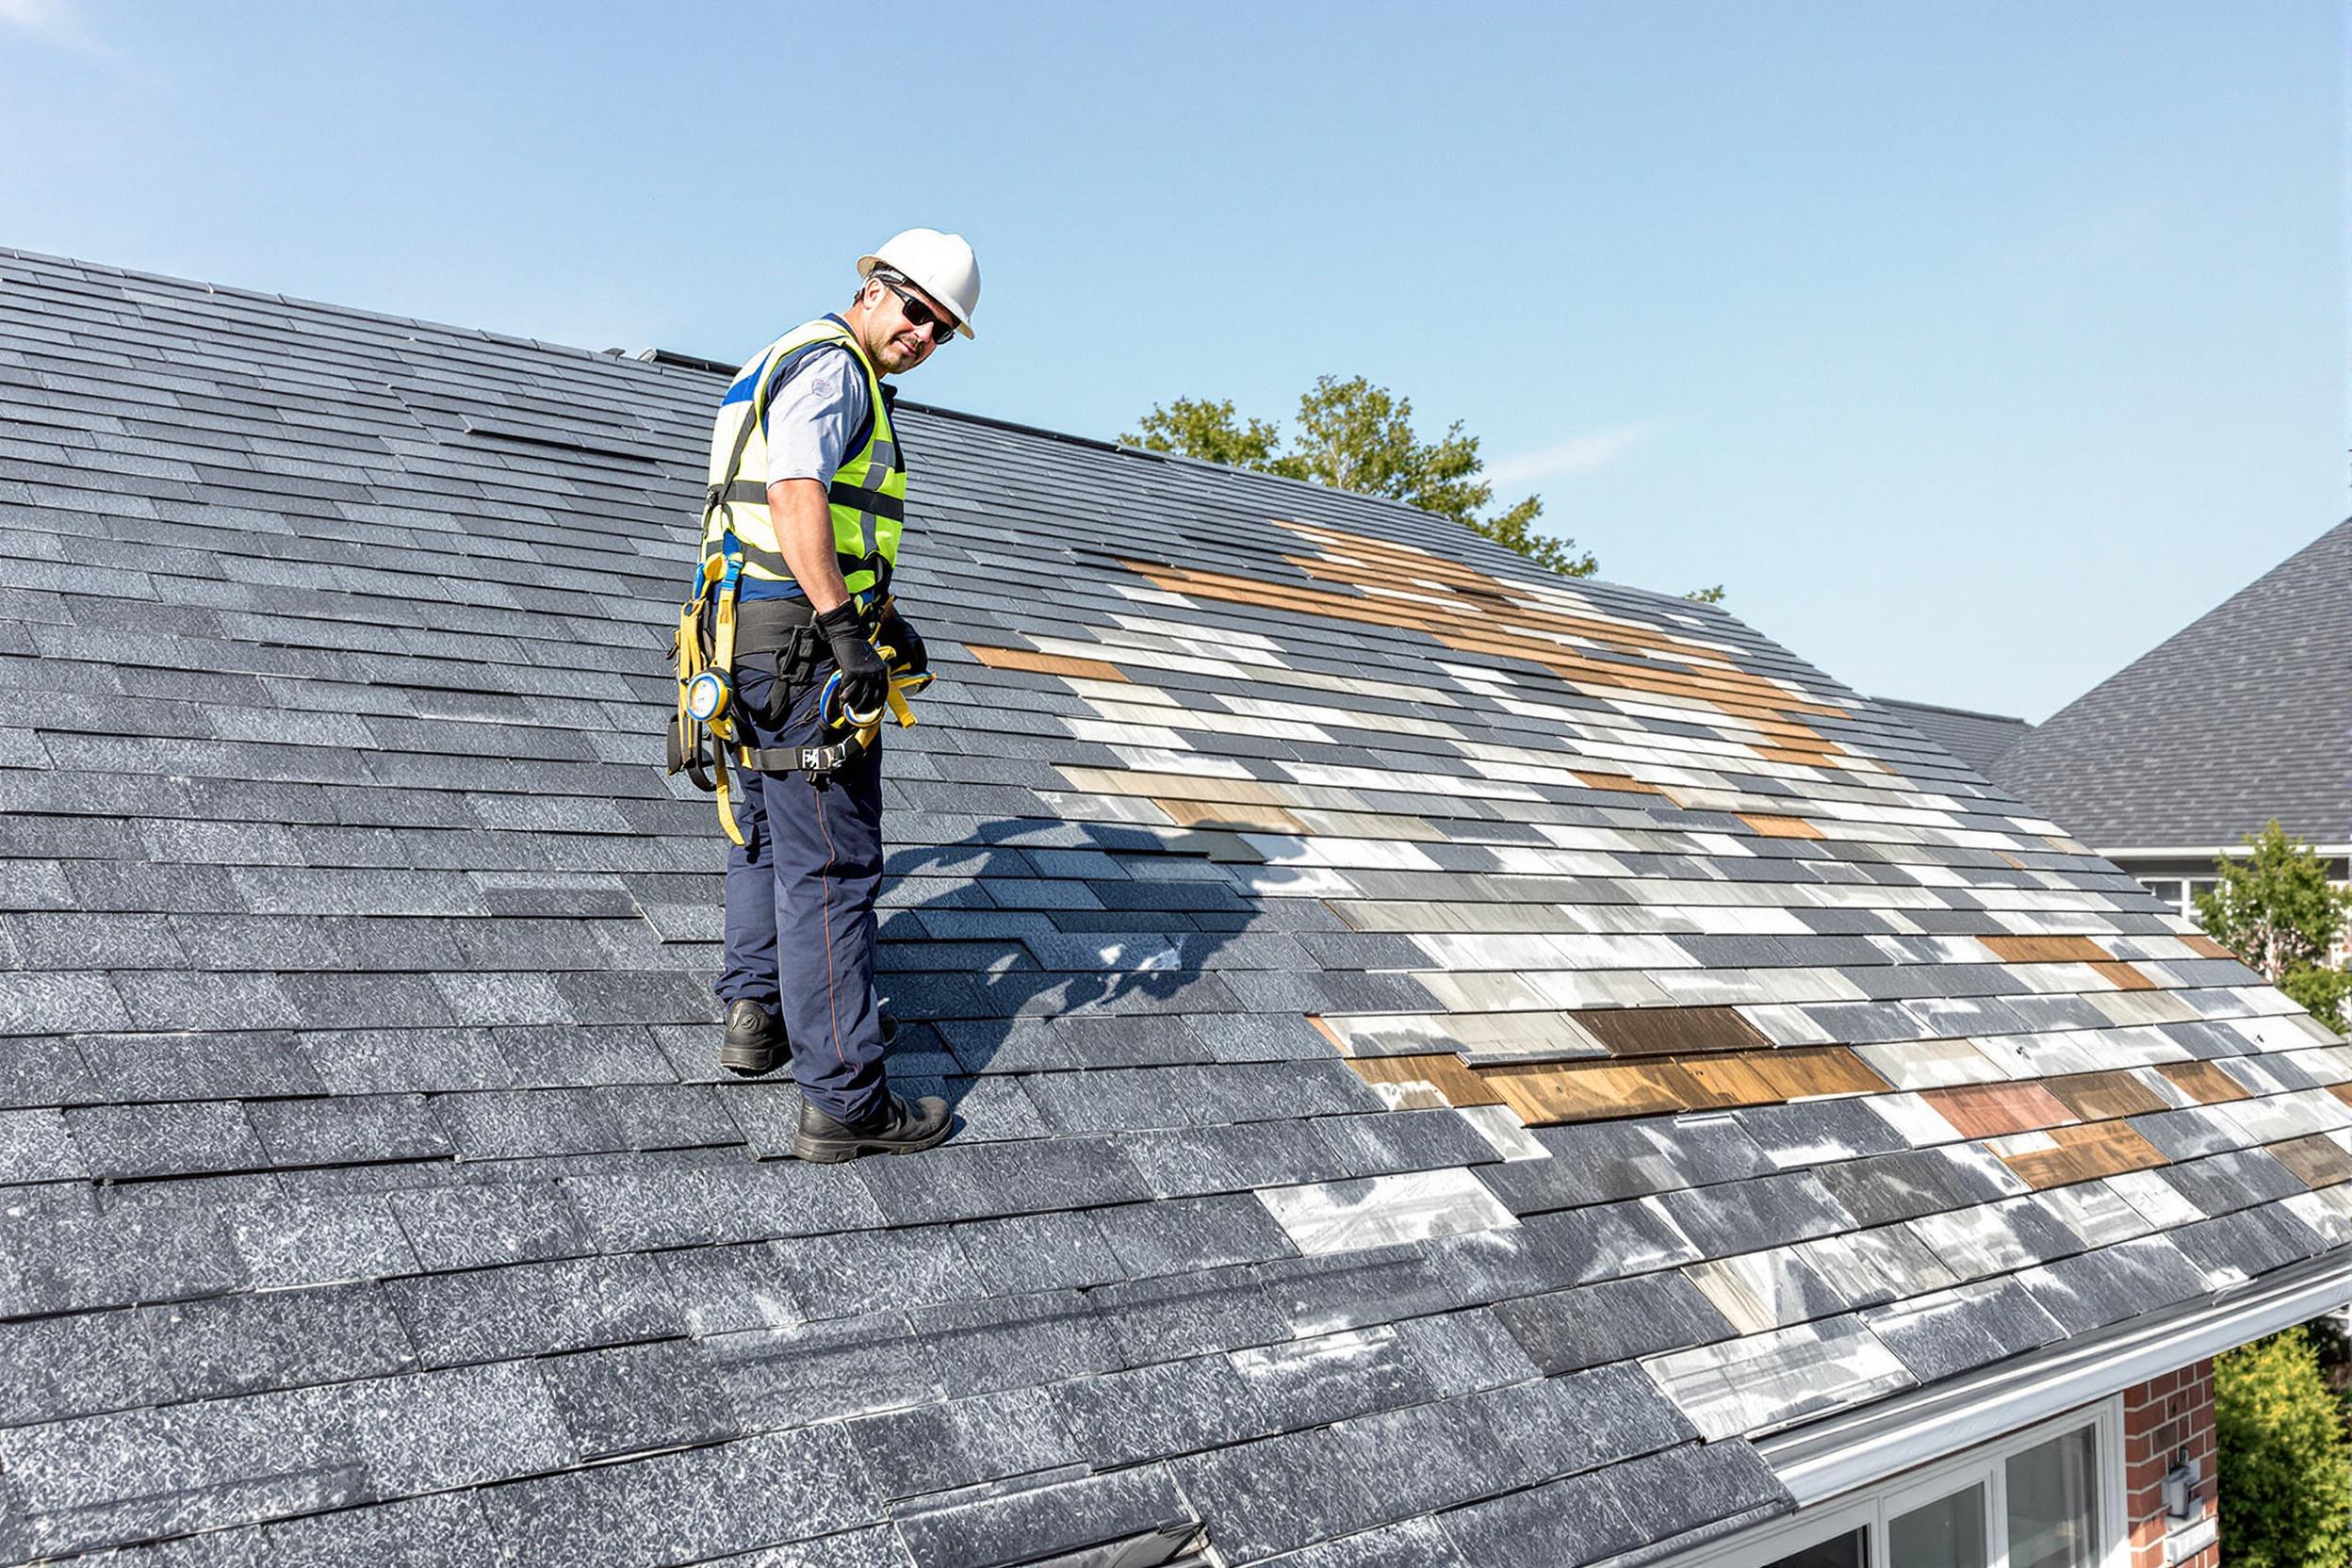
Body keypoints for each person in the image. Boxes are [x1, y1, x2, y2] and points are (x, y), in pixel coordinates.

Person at [697, 229, 979, 1162]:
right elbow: (794, 492)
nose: (923, 336)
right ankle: (845, 1098)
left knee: (769, 831)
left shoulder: (778, 357)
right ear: (876, 291)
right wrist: (844, 624)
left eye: (941, 330)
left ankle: (754, 1011)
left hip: (740, 638)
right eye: (916, 312)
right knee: (835, 869)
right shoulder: (835, 369)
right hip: (803, 645)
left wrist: (876, 612)